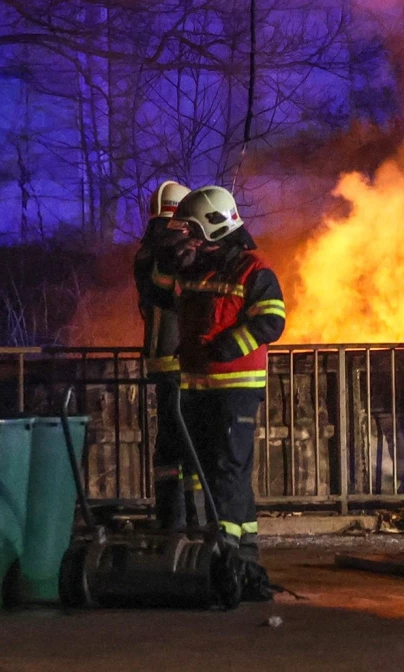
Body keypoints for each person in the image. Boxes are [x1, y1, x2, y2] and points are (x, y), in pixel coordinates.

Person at [159, 185, 286, 602]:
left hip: (236, 392)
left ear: (215, 227)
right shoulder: (196, 268)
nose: (189, 239)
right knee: (197, 472)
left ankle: (233, 557)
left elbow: (272, 322)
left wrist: (229, 346)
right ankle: (219, 554)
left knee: (228, 473)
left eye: (193, 231)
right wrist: (167, 253)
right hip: (196, 388)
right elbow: (157, 288)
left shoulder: (254, 271)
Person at [134, 180, 198, 530]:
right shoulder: (161, 255)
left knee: (173, 445)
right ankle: (185, 520)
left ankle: (175, 519)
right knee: (185, 444)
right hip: (178, 361)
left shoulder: (148, 251)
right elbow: (174, 296)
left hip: (168, 361)